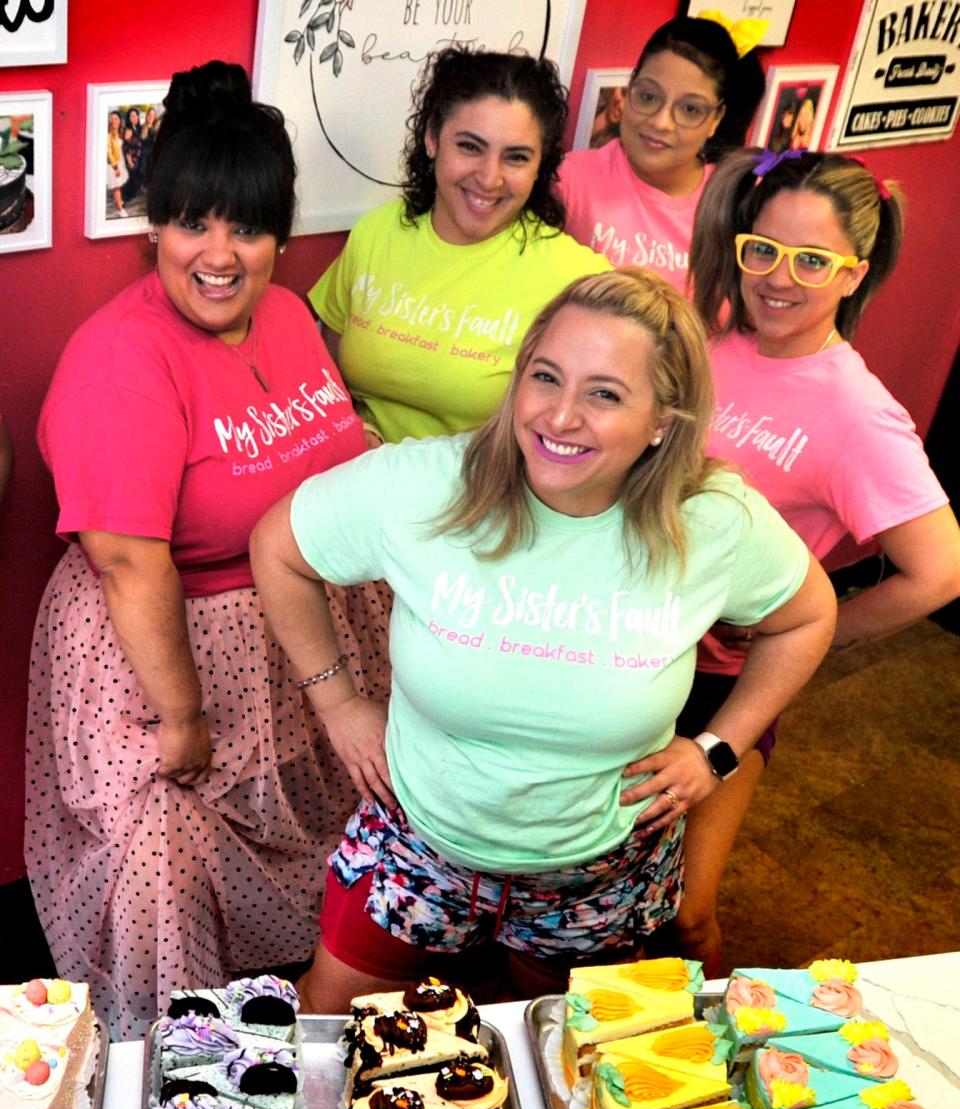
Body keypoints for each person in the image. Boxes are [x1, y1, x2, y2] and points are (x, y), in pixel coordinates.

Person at [250, 269, 837, 1014]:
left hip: (597, 871)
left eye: (604, 393)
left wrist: (717, 749)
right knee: (326, 1024)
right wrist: (335, 701)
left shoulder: (712, 520)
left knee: (556, 1051)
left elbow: (807, 616)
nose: (560, 416)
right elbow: (279, 547)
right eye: (545, 377)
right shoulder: (425, 484)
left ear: (663, 419)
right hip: (420, 843)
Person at [27, 61, 386, 1039]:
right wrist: (182, 720)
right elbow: (131, 562)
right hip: (164, 654)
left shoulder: (288, 311)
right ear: (155, 227)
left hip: (294, 636)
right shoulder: (116, 363)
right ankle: (176, 1067)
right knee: (163, 866)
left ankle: (307, 1025)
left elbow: (330, 444)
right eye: (194, 222)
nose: (221, 254)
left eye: (250, 226)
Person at [669, 148, 960, 969]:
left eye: (811, 260)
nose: (777, 277)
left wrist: (799, 636)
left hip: (724, 686)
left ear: (854, 273)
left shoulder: (857, 411)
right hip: (634, 652)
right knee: (610, 884)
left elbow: (940, 571)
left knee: (688, 915)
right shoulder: (716, 344)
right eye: (760, 249)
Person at [309, 46, 607, 445]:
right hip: (355, 471)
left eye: (516, 158)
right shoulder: (375, 232)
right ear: (432, 138)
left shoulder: (578, 280)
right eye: (469, 147)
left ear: (541, 167)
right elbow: (324, 368)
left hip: (477, 496)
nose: (489, 178)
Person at [558, 14, 764, 288]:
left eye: (690, 109)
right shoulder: (569, 179)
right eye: (648, 97)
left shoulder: (735, 202)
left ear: (716, 119)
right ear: (630, 87)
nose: (660, 122)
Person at [106, 109, 128, 218]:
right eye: (112, 119)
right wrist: (115, 167)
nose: (114, 121)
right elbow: (108, 152)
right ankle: (120, 210)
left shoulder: (120, 133)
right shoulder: (108, 135)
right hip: (113, 164)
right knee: (116, 186)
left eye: (116, 119)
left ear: (119, 120)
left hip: (120, 161)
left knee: (118, 185)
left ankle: (119, 202)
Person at [122, 106, 144, 203]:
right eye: (131, 116)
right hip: (131, 158)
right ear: (129, 118)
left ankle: (131, 193)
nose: (134, 118)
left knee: (136, 178)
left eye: (135, 116)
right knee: (132, 178)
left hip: (138, 157)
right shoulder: (129, 130)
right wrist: (130, 160)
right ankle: (125, 197)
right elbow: (126, 147)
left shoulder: (138, 128)